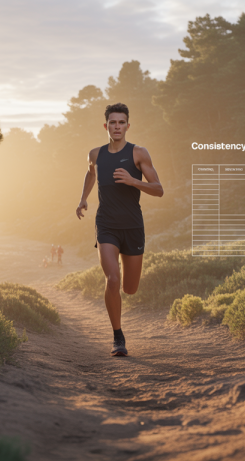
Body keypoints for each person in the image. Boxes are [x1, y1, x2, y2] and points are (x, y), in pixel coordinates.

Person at [75, 102, 164, 357]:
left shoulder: (138, 153)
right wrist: (83, 198)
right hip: (106, 225)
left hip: (133, 226)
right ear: (106, 126)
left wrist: (133, 180)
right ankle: (118, 337)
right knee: (112, 279)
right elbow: (90, 173)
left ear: (127, 125)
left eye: (121, 122)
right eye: (112, 123)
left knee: (129, 288)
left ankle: (122, 296)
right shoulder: (95, 154)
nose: (117, 127)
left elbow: (158, 189)